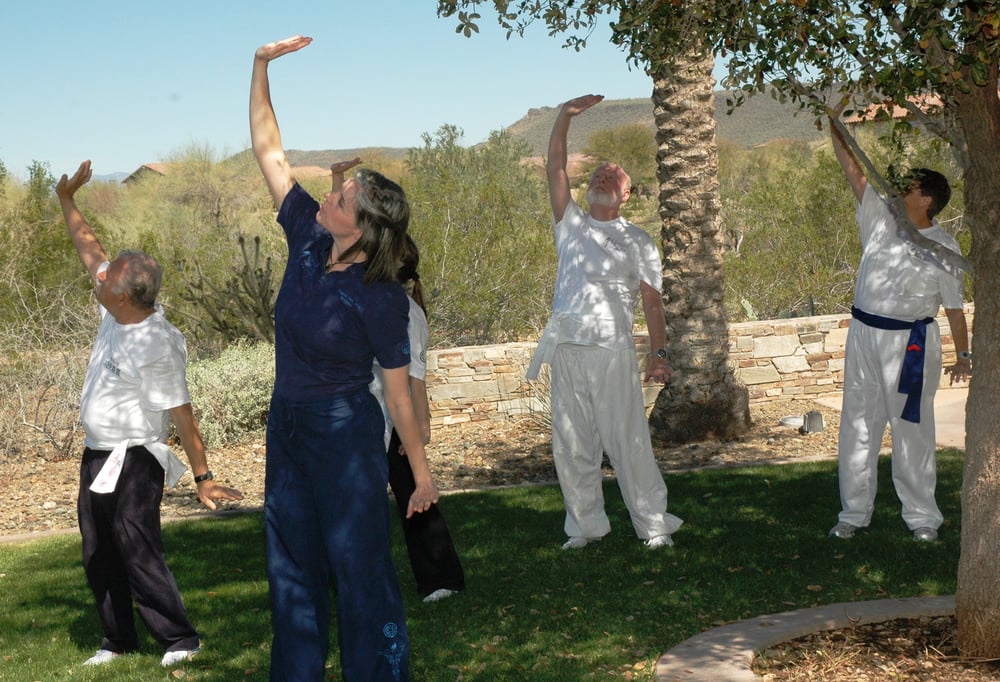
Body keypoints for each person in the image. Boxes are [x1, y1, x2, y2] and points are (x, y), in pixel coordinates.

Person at [250, 35, 438, 681]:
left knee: (360, 571)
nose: (326, 196)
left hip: (342, 433)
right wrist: (260, 66)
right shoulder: (306, 235)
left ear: (359, 226)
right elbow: (269, 151)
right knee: (290, 568)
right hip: (288, 425)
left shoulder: (379, 298)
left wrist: (420, 472)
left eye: (340, 198)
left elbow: (400, 395)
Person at [55, 160, 244, 668]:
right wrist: (67, 200)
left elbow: (183, 416)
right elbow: (90, 250)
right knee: (98, 549)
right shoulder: (114, 304)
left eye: (106, 279)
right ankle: (116, 640)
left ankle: (180, 639)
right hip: (98, 454)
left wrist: (203, 477)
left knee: (136, 543)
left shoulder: (157, 343)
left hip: (136, 457)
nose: (97, 278)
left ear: (124, 294)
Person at [526, 94, 683, 551]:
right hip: (569, 349)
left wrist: (659, 355)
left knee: (629, 441)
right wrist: (564, 117)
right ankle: (585, 526)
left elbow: (652, 304)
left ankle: (653, 525)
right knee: (572, 447)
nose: (603, 178)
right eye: (598, 174)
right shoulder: (570, 224)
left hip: (613, 352)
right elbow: (555, 169)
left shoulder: (638, 240)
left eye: (613, 177)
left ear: (627, 193)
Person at [827, 102, 971, 543]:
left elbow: (953, 308)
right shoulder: (880, 220)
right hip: (864, 336)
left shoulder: (943, 245)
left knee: (911, 430)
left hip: (911, 344)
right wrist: (834, 124)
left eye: (909, 187)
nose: (899, 190)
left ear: (926, 199)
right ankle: (853, 513)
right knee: (858, 424)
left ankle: (922, 519)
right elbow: (854, 171)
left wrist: (963, 355)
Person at [367, 231, 466, 603]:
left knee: (416, 498)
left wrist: (420, 428)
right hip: (369, 416)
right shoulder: (372, 302)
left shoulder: (406, 312)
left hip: (395, 421)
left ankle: (442, 578)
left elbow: (415, 378)